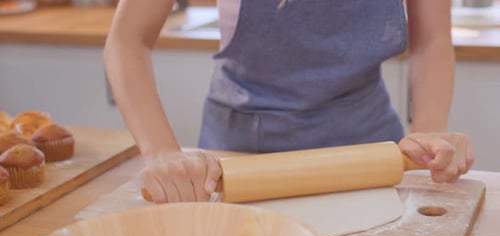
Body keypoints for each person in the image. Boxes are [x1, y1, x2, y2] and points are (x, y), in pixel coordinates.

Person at [103, 0, 474, 203]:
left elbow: (432, 41)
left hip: (369, 147)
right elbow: (127, 41)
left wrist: (429, 133)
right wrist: (161, 153)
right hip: (241, 155)